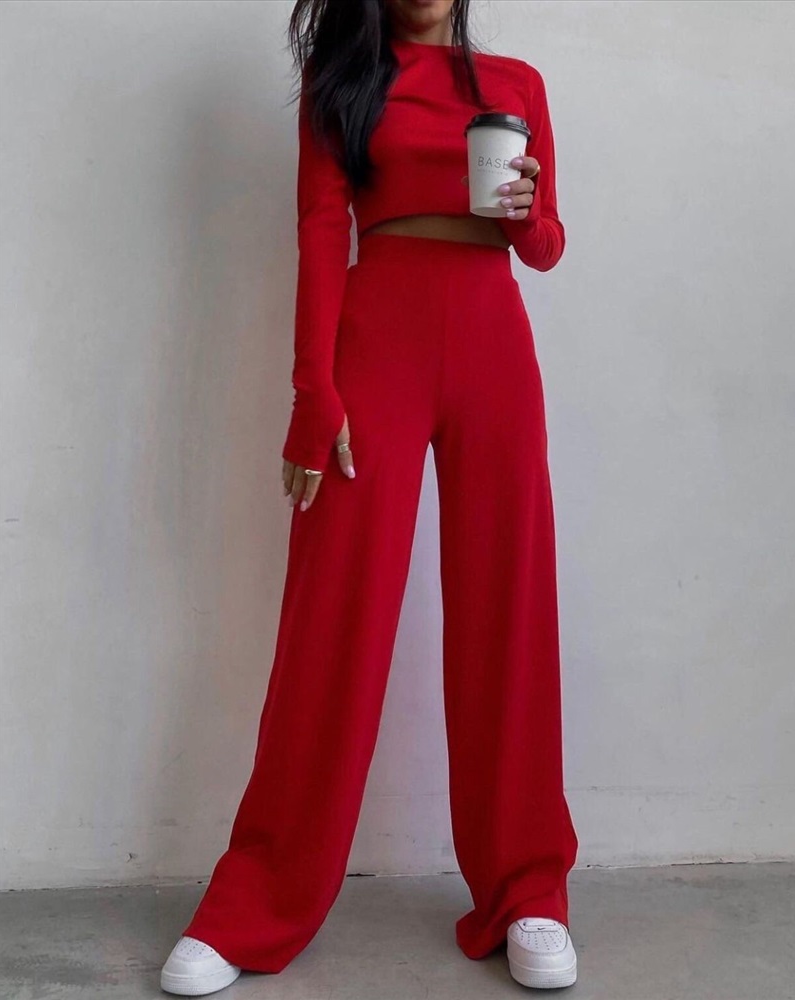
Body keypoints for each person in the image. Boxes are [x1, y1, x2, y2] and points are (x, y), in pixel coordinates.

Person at [160, 0, 579, 994]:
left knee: (509, 608)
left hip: (492, 337)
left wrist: (526, 213)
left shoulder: (516, 86)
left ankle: (528, 888)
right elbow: (319, 228)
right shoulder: (343, 82)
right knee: (332, 618)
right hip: (378, 335)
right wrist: (313, 393)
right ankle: (257, 899)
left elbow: (546, 246)